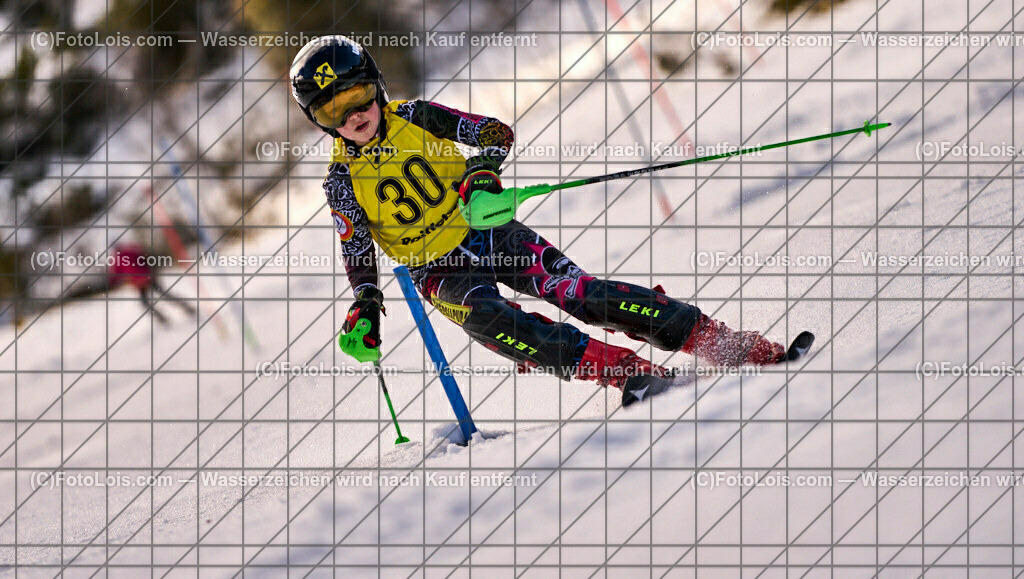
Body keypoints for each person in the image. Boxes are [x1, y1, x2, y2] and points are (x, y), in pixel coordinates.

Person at [290, 36, 808, 406]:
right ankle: (622, 371)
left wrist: (482, 171)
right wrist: (366, 301)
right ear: (320, 122)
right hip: (437, 272)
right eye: (334, 111)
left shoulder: (418, 116)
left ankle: (719, 341)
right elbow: (355, 247)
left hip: (487, 231)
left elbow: (494, 131)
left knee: (580, 294)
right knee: (495, 323)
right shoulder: (340, 179)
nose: (352, 115)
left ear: (375, 87)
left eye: (357, 98)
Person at [108, 242, 195, 324]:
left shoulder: (119, 258)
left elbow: (116, 274)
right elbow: (146, 259)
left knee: (148, 301)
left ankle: (163, 319)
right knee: (163, 295)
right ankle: (184, 308)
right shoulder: (131, 251)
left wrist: (111, 282)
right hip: (147, 279)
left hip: (143, 281)